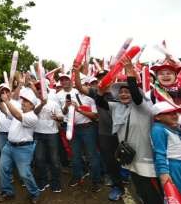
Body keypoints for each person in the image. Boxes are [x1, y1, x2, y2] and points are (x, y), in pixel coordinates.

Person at [95, 57, 163, 204]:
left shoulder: (143, 106)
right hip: (129, 159)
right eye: (121, 92)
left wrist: (130, 71)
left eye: (127, 91)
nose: (124, 94)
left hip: (145, 160)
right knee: (140, 191)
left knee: (153, 194)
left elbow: (137, 97)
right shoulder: (117, 106)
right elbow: (100, 102)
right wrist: (100, 92)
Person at [74, 66, 125, 201]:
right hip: (105, 133)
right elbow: (79, 86)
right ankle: (117, 186)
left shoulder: (121, 91)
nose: (103, 80)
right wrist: (76, 70)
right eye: (100, 78)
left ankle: (125, 178)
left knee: (126, 158)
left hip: (122, 132)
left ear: (112, 78)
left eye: (105, 77)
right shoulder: (96, 92)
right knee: (110, 160)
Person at [57, 73, 101, 191]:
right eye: (78, 83)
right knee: (75, 156)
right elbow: (65, 113)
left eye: (81, 82)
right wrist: (66, 107)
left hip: (88, 129)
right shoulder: (68, 94)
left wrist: (79, 109)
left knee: (92, 156)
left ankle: (96, 180)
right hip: (73, 129)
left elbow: (95, 116)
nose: (79, 85)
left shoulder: (91, 97)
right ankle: (77, 176)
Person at [0, 88, 41, 204]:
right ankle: (7, 192)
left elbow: (16, 115)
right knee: (2, 168)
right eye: (23, 100)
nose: (23, 102)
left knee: (24, 174)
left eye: (26, 101)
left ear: (32, 106)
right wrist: (0, 99)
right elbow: (5, 111)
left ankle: (35, 193)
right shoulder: (20, 113)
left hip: (23, 149)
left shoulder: (32, 117)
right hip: (9, 146)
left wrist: (6, 101)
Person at [33, 82, 64, 193]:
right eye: (39, 91)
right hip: (38, 134)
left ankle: (55, 183)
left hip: (52, 134)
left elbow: (61, 117)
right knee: (39, 159)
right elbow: (34, 113)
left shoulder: (54, 103)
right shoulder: (34, 103)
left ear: (46, 92)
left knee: (54, 160)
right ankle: (43, 181)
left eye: (43, 90)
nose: (41, 92)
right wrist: (41, 104)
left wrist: (58, 117)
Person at [151, 101, 181, 191]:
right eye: (169, 113)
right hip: (173, 166)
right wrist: (164, 173)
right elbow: (159, 153)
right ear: (157, 117)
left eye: (175, 113)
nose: (175, 115)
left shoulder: (172, 127)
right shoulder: (158, 129)